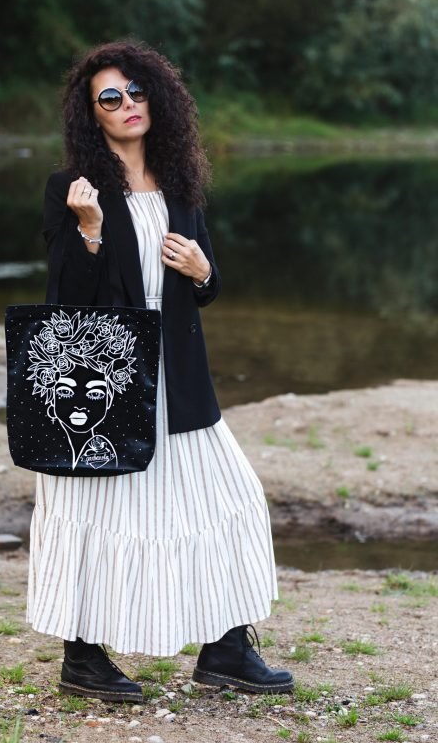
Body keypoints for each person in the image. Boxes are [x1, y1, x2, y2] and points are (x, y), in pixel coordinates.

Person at [26, 39, 294, 702]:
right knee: (98, 512)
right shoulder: (71, 189)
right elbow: (66, 300)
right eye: (109, 98)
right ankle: (83, 659)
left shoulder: (180, 185)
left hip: (180, 378)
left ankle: (226, 649)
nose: (126, 105)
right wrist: (88, 228)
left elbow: (204, 279)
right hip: (104, 385)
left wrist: (205, 274)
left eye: (136, 91)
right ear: (92, 115)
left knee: (229, 496)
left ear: (157, 98)